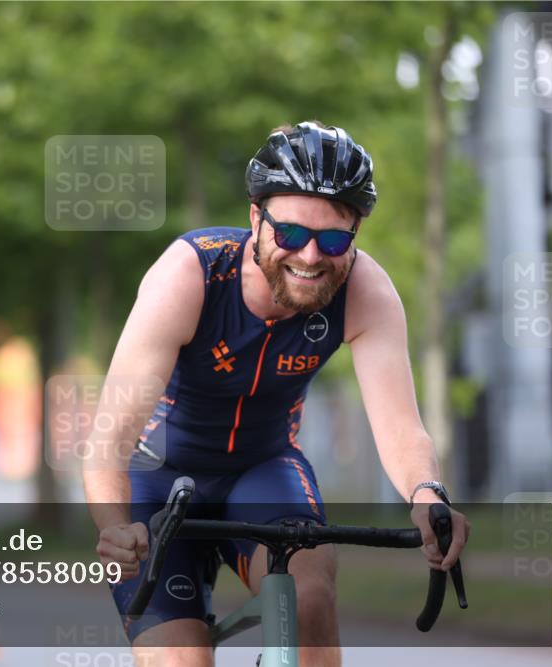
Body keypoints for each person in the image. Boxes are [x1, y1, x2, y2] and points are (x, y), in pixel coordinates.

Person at [82, 121, 471, 667]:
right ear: (254, 220)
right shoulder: (189, 275)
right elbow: (109, 438)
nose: (310, 256)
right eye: (290, 234)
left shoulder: (367, 291)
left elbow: (402, 429)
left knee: (310, 598)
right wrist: (113, 526)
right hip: (159, 478)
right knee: (180, 659)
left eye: (334, 239)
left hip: (263, 469)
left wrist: (428, 494)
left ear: (355, 235)